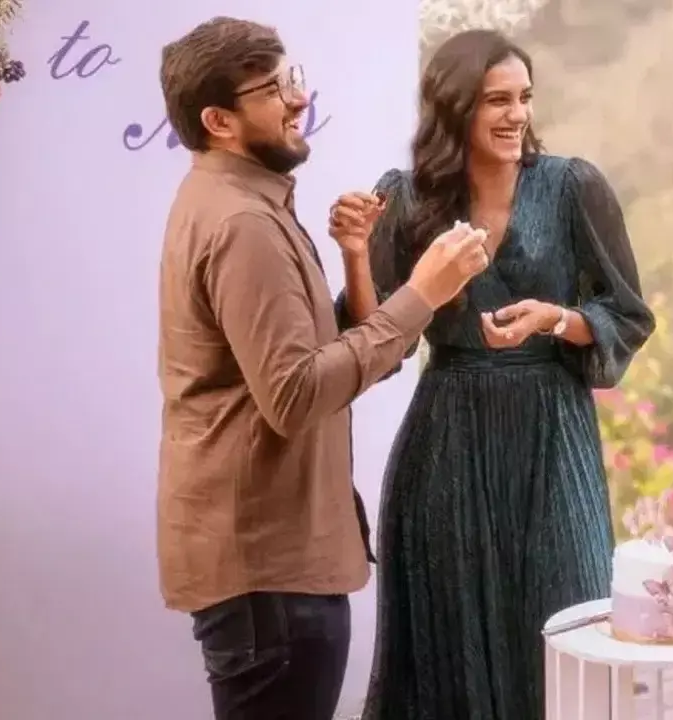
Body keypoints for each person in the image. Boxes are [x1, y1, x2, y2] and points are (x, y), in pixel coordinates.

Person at [154, 17, 490, 720]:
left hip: (267, 573)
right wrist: (423, 294)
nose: (298, 99)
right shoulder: (243, 224)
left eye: (293, 78)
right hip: (270, 577)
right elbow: (297, 395)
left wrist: (357, 259)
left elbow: (308, 360)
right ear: (219, 121)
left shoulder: (240, 204)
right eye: (272, 89)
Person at [330, 29, 656, 720]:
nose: (517, 115)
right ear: (455, 108)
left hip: (552, 439)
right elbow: (373, 340)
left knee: (567, 630)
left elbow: (627, 313)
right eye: (496, 101)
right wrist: (357, 255)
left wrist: (556, 319)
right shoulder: (406, 198)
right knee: (447, 653)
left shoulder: (571, 187)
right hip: (446, 444)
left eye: (524, 98)